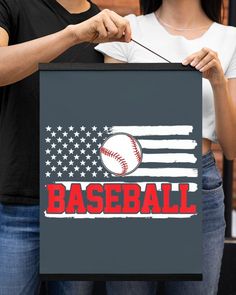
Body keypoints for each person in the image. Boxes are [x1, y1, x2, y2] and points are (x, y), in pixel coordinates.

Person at [95, 0, 236, 294]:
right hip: (133, 185)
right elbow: (106, 125)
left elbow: (233, 148)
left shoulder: (230, 38)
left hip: (200, 186)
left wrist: (218, 83)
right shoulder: (127, 30)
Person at [0, 1, 131, 294]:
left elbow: (116, 117)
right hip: (15, 205)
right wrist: (73, 35)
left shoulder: (107, 26)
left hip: (78, 209)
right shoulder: (14, 5)